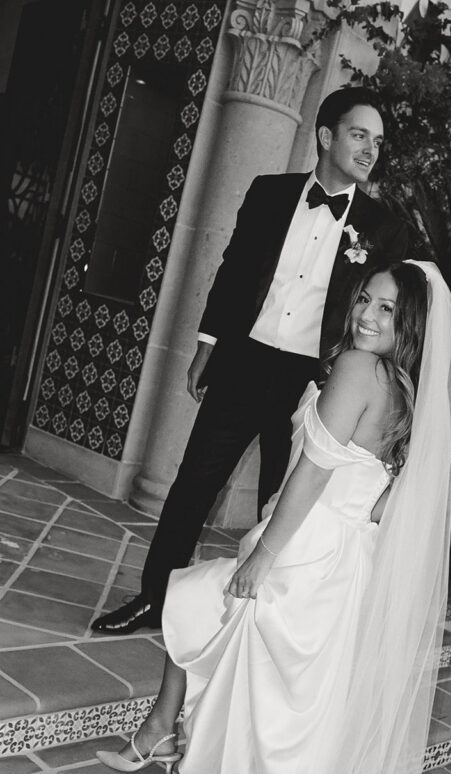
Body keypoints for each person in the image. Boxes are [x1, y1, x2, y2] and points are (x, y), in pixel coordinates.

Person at [98, 259, 451, 774]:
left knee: (199, 604)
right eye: (365, 299)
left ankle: (175, 750)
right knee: (285, 702)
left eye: (387, 310)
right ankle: (170, 741)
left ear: (411, 327)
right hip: (344, 564)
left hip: (302, 549)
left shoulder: (359, 368)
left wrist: (264, 553)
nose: (366, 315)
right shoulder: (407, 394)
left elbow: (310, 474)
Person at [91, 86, 409, 635]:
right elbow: (234, 271)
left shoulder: (382, 228)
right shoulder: (269, 193)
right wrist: (207, 345)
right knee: (193, 484)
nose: (369, 150)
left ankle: (258, 623)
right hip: (245, 363)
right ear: (326, 136)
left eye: (377, 142)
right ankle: (154, 598)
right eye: (359, 135)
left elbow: (387, 310)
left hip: (314, 382)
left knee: (280, 501)